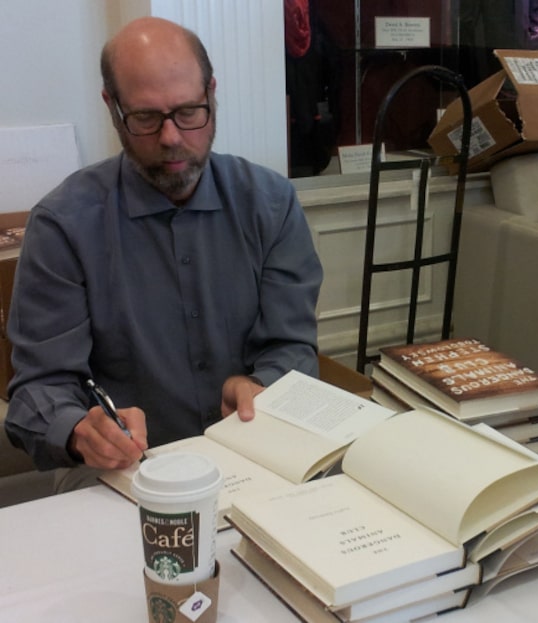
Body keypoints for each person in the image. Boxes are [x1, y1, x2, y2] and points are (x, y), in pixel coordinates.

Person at [4, 17, 323, 489]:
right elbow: (39, 390)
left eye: (189, 111)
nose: (171, 138)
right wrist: (78, 430)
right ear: (112, 108)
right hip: (122, 479)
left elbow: (292, 347)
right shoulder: (64, 225)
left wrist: (262, 385)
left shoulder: (270, 203)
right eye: (146, 118)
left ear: (212, 94)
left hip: (253, 466)